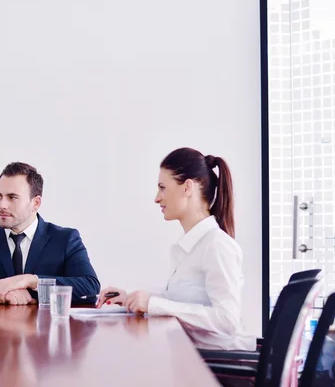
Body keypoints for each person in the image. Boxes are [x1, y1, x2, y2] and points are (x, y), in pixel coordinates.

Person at [97, 147, 255, 350]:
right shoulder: (189, 246)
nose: (156, 197)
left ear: (187, 188)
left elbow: (226, 320)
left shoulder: (217, 246)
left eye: (163, 187)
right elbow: (178, 299)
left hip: (216, 367)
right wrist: (130, 296)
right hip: (193, 357)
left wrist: (153, 305)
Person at [0, 162, 100, 305]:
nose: (2, 205)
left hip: (45, 325)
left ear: (36, 203)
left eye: (12, 197)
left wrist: (31, 281)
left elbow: (90, 287)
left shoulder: (65, 239)